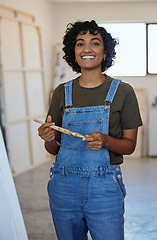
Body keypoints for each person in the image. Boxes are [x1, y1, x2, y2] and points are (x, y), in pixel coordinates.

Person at [38, 20, 142, 240]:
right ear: (73, 52)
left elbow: (130, 146)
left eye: (95, 43)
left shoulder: (123, 92)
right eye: (80, 44)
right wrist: (48, 137)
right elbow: (55, 148)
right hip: (63, 187)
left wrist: (106, 141)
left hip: (104, 188)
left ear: (105, 52)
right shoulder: (61, 92)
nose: (87, 49)